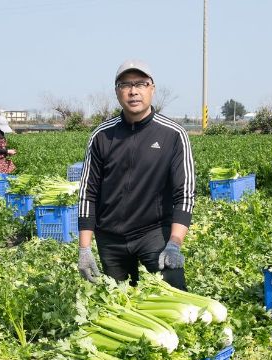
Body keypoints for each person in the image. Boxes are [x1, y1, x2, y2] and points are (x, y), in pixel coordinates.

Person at [76, 60, 195, 290]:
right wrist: (84, 248)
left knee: (174, 294)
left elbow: (185, 193)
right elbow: (87, 193)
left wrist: (175, 242)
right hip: (110, 238)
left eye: (141, 83)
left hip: (154, 234)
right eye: (125, 84)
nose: (133, 91)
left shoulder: (173, 134)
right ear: (117, 91)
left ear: (152, 88)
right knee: (119, 305)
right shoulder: (101, 135)